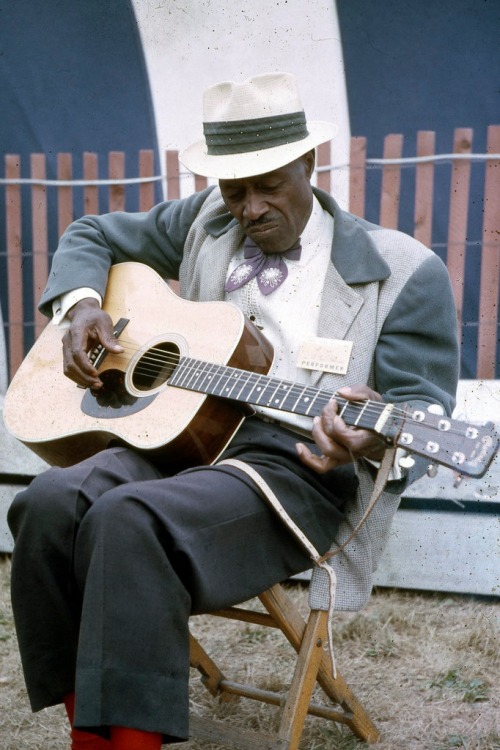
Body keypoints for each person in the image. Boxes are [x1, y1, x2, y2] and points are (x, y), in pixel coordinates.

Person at [7, 72, 459, 749]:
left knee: (128, 519)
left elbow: (419, 409)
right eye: (234, 190)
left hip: (299, 474)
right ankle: (90, 732)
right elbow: (91, 232)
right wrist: (82, 307)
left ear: (310, 163)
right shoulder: (205, 221)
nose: (248, 209)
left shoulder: (404, 270)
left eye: (269, 185)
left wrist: (364, 437)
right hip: (186, 444)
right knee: (47, 504)